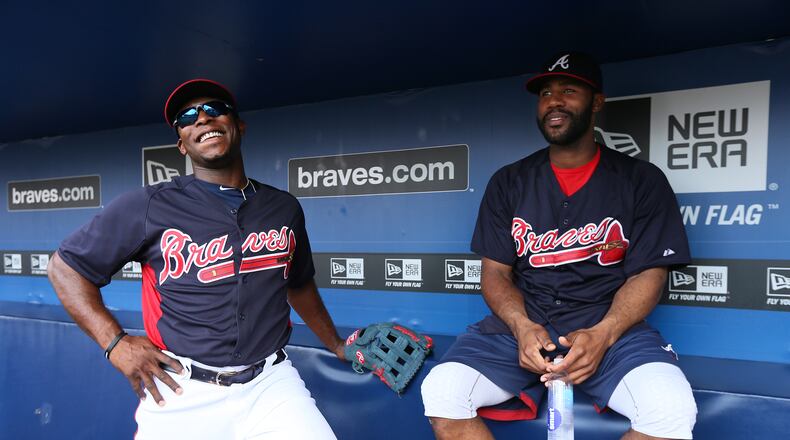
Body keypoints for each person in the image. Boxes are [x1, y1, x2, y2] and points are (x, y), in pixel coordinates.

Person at [421, 52, 698, 439]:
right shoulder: (509, 181)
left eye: (569, 91)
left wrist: (604, 334)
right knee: (442, 391)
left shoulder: (641, 180)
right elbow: (495, 273)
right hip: (522, 328)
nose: (554, 101)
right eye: (546, 93)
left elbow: (649, 275)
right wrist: (521, 327)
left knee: (670, 409)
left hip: (609, 327)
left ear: (596, 103)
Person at [48, 79, 344, 439]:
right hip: (183, 389)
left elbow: (297, 284)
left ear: (238, 126)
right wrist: (115, 344)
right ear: (182, 144)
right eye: (188, 117)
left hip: (271, 382)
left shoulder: (283, 207)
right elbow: (65, 268)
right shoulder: (149, 205)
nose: (202, 118)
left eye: (215, 109)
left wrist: (336, 344)